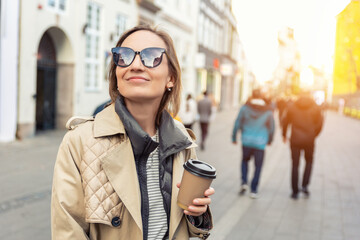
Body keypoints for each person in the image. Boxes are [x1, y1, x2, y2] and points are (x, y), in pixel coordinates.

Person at [51, 25, 214, 240]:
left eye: (152, 57)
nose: (135, 65)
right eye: (124, 56)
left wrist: (197, 215)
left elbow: (184, 228)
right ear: (116, 74)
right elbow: (67, 231)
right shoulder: (79, 142)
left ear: (171, 78)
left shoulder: (182, 143)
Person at [232, 89, 275, 199]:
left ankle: (244, 182)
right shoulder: (268, 111)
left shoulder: (245, 108)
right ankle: (254, 189)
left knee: (244, 161)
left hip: (246, 140)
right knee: (258, 166)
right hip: (260, 143)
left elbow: (237, 122)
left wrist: (234, 137)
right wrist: (270, 140)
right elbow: (271, 128)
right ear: (261, 97)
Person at [282, 91, 323, 200]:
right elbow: (320, 123)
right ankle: (305, 186)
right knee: (309, 161)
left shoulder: (292, 107)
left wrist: (284, 135)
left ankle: (295, 191)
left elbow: (285, 122)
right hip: (310, 140)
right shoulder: (315, 108)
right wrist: (314, 134)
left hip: (295, 139)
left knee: (295, 164)